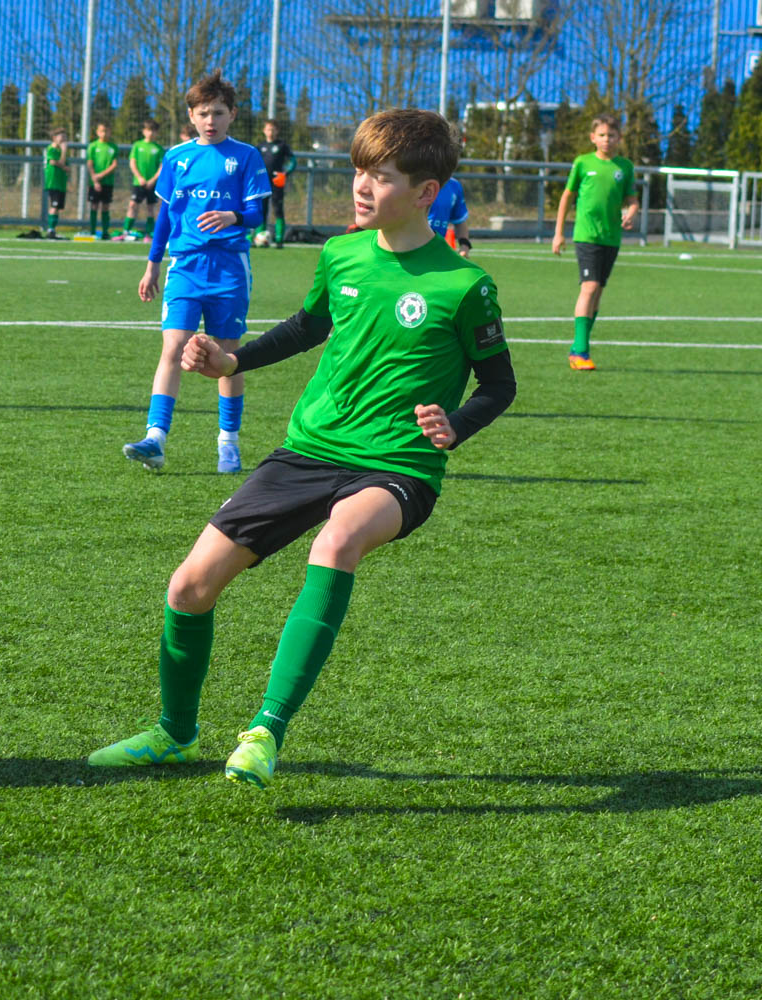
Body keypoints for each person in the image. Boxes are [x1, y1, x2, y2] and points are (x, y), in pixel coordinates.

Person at [90, 109, 517, 789]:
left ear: (425, 192)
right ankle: (174, 733)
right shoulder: (341, 255)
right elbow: (306, 327)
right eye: (359, 171)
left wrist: (455, 426)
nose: (361, 186)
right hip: (308, 449)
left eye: (381, 176)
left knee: (336, 541)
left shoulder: (465, 285)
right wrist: (232, 362)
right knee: (189, 586)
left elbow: (499, 384)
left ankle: (266, 730)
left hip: (396, 465)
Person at [123, 70, 271, 475]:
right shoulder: (176, 158)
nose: (211, 120)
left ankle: (228, 442)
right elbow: (166, 218)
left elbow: (257, 214)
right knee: (173, 348)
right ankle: (155, 438)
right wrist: (152, 265)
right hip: (185, 266)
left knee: (228, 355)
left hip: (229, 268)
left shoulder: (246, 156)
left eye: (218, 113)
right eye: (203, 113)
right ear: (191, 115)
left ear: (232, 115)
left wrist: (232, 216)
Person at [551, 113, 639, 371]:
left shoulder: (625, 167)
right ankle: (580, 350)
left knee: (598, 291)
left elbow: (632, 200)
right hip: (586, 235)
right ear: (593, 137)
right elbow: (567, 197)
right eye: (602, 135)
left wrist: (631, 213)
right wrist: (559, 232)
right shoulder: (582, 163)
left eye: (611, 135)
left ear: (619, 138)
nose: (606, 139)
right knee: (589, 287)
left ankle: (579, 347)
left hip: (611, 237)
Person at [255, 118, 296, 248]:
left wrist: (285, 173)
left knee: (278, 209)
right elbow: (253, 163)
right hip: (262, 182)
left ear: (277, 131)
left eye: (273, 129)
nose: (270, 132)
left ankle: (279, 239)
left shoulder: (282, 146)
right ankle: (259, 236)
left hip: (277, 182)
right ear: (264, 131)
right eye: (268, 129)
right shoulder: (260, 147)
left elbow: (292, 161)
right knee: (261, 209)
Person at [122, 119, 164, 241]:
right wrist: (140, 177)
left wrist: (153, 180)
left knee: (151, 208)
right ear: (144, 131)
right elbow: (132, 163)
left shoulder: (158, 148)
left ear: (157, 133)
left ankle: (149, 233)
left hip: (152, 184)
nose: (150, 133)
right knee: (132, 205)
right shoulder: (137, 145)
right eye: (148, 130)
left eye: (153, 131)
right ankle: (126, 231)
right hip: (138, 182)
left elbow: (161, 167)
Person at [86, 121, 118, 239]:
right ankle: (92, 231)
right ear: (97, 132)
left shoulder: (113, 147)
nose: (104, 133)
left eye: (106, 131)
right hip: (95, 182)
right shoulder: (93, 146)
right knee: (94, 205)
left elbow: (114, 164)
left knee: (106, 206)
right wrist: (95, 179)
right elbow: (90, 163)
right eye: (102, 131)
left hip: (108, 182)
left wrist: (102, 175)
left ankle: (105, 231)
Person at [428, 175, 472, 258]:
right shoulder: (413, 181)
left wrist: (464, 245)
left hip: (437, 250)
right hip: (410, 248)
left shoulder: (454, 185)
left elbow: (459, 220)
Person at [42, 128, 69, 239]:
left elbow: (64, 164)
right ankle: (50, 230)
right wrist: (64, 151)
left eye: (65, 137)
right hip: (53, 182)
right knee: (54, 205)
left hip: (61, 182)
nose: (64, 140)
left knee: (57, 207)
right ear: (54, 138)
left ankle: (53, 229)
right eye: (62, 137)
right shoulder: (52, 149)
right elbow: (54, 162)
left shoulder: (59, 150)